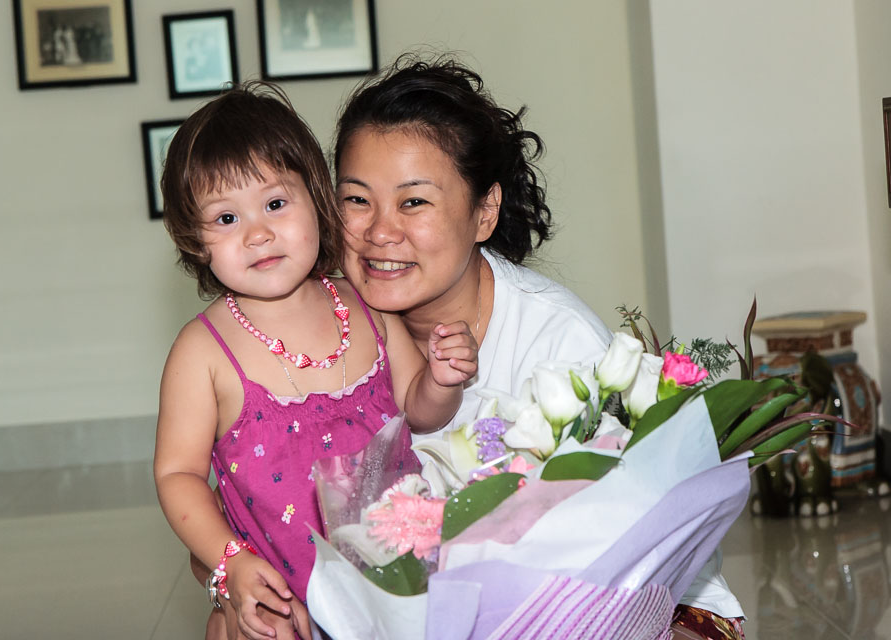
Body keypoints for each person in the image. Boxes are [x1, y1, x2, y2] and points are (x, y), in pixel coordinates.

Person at [332, 54, 746, 640]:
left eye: (414, 201)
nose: (379, 231)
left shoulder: (561, 348)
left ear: (484, 212)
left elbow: (637, 560)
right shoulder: (317, 336)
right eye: (356, 200)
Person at [152, 81, 478, 640]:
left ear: (317, 199)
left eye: (275, 204)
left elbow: (418, 409)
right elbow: (177, 474)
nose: (258, 234)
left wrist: (443, 380)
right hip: (281, 610)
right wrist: (230, 562)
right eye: (226, 219)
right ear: (195, 239)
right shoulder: (202, 351)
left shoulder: (367, 307)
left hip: (395, 592)